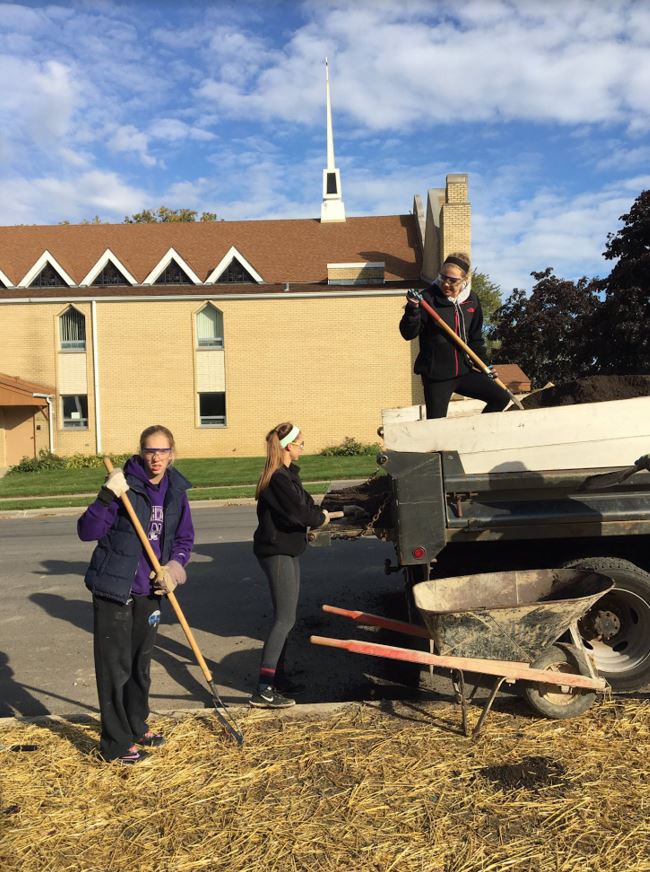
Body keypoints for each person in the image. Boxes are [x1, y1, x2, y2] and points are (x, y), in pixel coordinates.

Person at [78, 425, 194, 764]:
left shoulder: (176, 492)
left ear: (172, 453)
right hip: (115, 590)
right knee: (115, 670)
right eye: (150, 451)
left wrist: (174, 569)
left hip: (151, 589)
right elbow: (87, 531)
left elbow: (184, 540)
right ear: (142, 452)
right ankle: (115, 744)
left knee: (139, 665)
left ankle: (136, 724)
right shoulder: (124, 486)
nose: (156, 457)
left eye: (162, 451)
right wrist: (106, 496)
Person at [250, 422, 331, 709]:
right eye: (300, 443)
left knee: (288, 618)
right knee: (284, 619)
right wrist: (320, 518)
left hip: (287, 550)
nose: (302, 448)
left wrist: (320, 513)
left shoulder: (287, 476)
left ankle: (278, 678)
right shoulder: (278, 480)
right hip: (277, 553)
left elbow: (305, 506)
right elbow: (300, 514)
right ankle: (264, 687)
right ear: (288, 446)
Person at [399, 252, 510, 419]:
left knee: (501, 398)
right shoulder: (427, 298)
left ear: (464, 280)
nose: (446, 283)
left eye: (452, 280)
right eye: (443, 277)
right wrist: (412, 309)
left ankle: (474, 433)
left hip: (464, 371)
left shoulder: (471, 300)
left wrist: (485, 366)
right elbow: (408, 333)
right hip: (437, 375)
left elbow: (475, 339)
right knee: (437, 426)